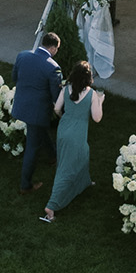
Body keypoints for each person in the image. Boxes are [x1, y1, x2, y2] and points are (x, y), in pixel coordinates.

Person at [41, 59, 104, 221]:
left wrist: (65, 117)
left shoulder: (66, 89)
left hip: (63, 130)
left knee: (83, 153)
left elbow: (57, 108)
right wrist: (100, 101)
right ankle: (51, 206)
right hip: (76, 135)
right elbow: (97, 118)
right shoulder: (91, 94)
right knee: (65, 170)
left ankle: (84, 182)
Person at [11, 29, 63, 193]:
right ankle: (25, 185)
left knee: (40, 131)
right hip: (37, 112)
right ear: (53, 48)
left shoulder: (23, 55)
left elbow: (14, 78)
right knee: (32, 148)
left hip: (21, 105)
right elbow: (56, 95)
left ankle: (53, 156)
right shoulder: (53, 67)